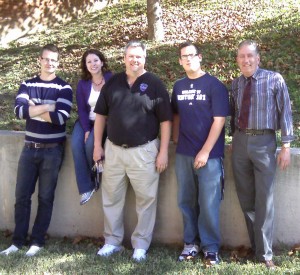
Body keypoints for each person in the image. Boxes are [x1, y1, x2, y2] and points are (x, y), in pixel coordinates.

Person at [93, 40, 172, 261]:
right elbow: (100, 115)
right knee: (111, 198)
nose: (134, 60)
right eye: (131, 56)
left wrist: (163, 151)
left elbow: (166, 121)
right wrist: (98, 145)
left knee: (146, 200)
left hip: (144, 151)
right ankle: (112, 241)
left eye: (138, 56)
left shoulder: (155, 84)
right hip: (114, 150)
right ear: (124, 57)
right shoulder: (113, 83)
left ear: (144, 58)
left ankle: (140, 245)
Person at [0, 44, 73, 256]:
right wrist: (47, 107)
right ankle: (17, 242)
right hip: (29, 149)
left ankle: (37, 241)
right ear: (39, 60)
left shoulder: (64, 88)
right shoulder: (27, 83)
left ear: (58, 63)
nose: (50, 63)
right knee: (21, 196)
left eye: (54, 60)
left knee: (45, 197)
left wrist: (35, 108)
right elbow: (19, 111)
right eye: (47, 59)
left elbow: (60, 117)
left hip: (52, 150)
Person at [230, 40, 294, 269]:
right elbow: (233, 113)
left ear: (258, 58)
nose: (246, 60)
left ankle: (266, 254)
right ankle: (257, 249)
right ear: (237, 60)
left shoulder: (274, 79)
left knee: (264, 200)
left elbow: (285, 112)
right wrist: (233, 140)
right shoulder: (236, 83)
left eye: (250, 56)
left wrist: (285, 145)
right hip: (240, 142)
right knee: (246, 198)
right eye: (241, 56)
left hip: (264, 143)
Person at [171, 41, 229, 265]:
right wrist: (176, 138)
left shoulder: (214, 85)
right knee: (186, 201)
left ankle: (211, 247)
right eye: (184, 56)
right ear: (180, 61)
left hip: (210, 156)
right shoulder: (178, 86)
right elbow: (175, 114)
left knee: (208, 203)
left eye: (192, 55)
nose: (188, 59)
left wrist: (205, 151)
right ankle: (190, 243)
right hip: (184, 153)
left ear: (200, 57)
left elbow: (219, 120)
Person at [71, 49, 113, 205]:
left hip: (105, 123)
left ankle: (95, 175)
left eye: (95, 60)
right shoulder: (83, 84)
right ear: (85, 65)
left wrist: (93, 132)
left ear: (102, 62)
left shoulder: (111, 79)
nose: (93, 64)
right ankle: (85, 188)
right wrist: (87, 129)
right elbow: (82, 109)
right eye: (89, 62)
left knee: (90, 146)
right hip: (86, 122)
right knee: (75, 145)